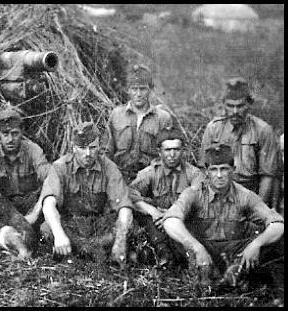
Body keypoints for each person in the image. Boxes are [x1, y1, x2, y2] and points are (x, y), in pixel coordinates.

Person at [163, 144, 284, 285]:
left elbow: (277, 223)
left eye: (224, 169)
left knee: (277, 241)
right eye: (214, 169)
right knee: (174, 236)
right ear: (206, 172)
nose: (219, 175)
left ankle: (245, 280)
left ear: (233, 170)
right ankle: (194, 276)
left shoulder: (245, 195)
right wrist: (196, 247)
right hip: (203, 249)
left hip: (235, 252)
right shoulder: (194, 192)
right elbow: (170, 220)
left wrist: (256, 244)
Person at [38, 122, 138, 265]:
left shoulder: (108, 167)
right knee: (47, 229)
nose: (88, 154)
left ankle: (83, 253)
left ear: (99, 147)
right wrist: (59, 235)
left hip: (99, 224)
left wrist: (120, 241)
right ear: (73, 148)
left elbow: (124, 207)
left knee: (130, 225)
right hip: (73, 225)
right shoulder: (60, 167)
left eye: (92, 148)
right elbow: (48, 205)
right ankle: (93, 253)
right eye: (82, 148)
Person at [128, 127, 205, 265]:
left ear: (183, 151)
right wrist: (152, 211)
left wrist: (170, 214)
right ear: (159, 151)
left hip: (183, 224)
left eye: (176, 149)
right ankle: (162, 252)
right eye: (167, 150)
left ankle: (174, 255)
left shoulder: (193, 173)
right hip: (157, 224)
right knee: (142, 213)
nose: (172, 154)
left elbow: (198, 193)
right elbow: (129, 193)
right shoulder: (151, 172)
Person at [200, 77, 280, 208]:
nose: (235, 111)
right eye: (230, 106)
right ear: (224, 105)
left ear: (249, 105)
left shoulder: (263, 130)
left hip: (251, 195)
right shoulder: (213, 128)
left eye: (240, 106)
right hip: (219, 193)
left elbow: (268, 176)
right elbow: (203, 170)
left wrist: (257, 209)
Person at [0, 108, 51, 226]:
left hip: (30, 208)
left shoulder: (33, 150)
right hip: (2, 209)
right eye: (5, 134)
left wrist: (35, 212)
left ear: (22, 131)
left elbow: (50, 179)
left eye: (15, 133)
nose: (10, 139)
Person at [102, 64, 173, 183]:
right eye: (134, 89)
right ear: (128, 90)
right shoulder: (116, 115)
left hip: (151, 180)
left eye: (143, 89)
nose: (138, 94)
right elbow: (106, 152)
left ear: (150, 89)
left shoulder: (163, 118)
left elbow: (168, 155)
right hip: (120, 178)